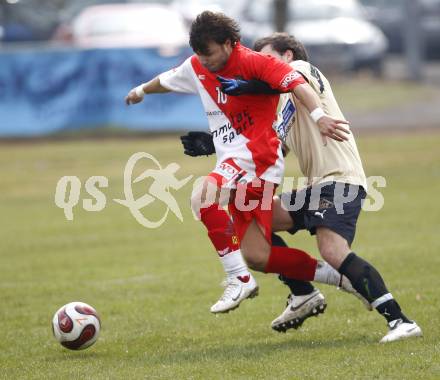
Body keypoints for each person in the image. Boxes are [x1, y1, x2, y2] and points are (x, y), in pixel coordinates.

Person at [182, 32, 422, 343]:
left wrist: (246, 84)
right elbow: (268, 149)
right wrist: (214, 143)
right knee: (253, 217)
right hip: (314, 189)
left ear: (288, 56)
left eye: (266, 60)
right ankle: (303, 293)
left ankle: (400, 321)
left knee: (333, 251)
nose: (260, 67)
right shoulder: (281, 105)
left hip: (340, 180)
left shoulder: (304, 72)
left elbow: (277, 79)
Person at [125, 12, 356, 332]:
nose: (204, 62)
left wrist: (319, 117)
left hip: (257, 159)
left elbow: (298, 85)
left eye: (210, 53)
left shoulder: (255, 62)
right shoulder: (197, 66)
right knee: (258, 254)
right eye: (199, 55)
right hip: (234, 162)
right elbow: (166, 80)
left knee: (202, 196)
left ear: (229, 43)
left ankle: (238, 279)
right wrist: (140, 90)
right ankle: (338, 277)